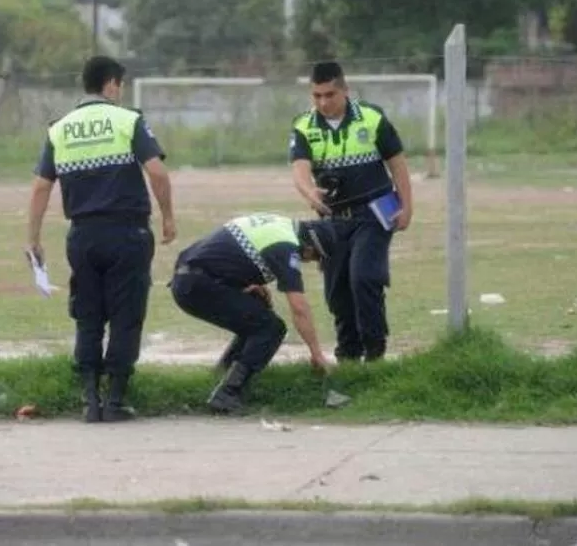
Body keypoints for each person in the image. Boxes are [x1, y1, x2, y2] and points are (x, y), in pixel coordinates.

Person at [26, 55, 176, 424]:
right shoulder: (128, 120)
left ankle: (90, 401)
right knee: (126, 316)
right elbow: (157, 171)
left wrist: (34, 239)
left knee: (88, 316)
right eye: (119, 86)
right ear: (111, 84)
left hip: (83, 237)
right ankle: (116, 401)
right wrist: (168, 215)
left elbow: (41, 187)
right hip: (127, 233)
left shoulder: (60, 129)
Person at [288, 61, 414, 363]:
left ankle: (374, 351)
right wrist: (309, 192)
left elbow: (397, 163)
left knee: (364, 278)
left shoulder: (372, 117)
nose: (322, 102)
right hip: (332, 221)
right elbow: (299, 171)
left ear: (345, 90)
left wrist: (407, 206)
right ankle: (348, 355)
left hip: (375, 212)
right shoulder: (304, 125)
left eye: (329, 94)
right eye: (316, 95)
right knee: (337, 292)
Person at [168, 212, 337, 414]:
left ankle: (221, 375)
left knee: (257, 313)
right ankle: (228, 393)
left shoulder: (278, 224)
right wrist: (316, 353)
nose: (309, 261)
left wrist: (243, 283)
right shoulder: (285, 246)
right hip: (198, 285)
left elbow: (226, 252)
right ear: (310, 246)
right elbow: (299, 308)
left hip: (189, 278)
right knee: (271, 328)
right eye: (315, 257)